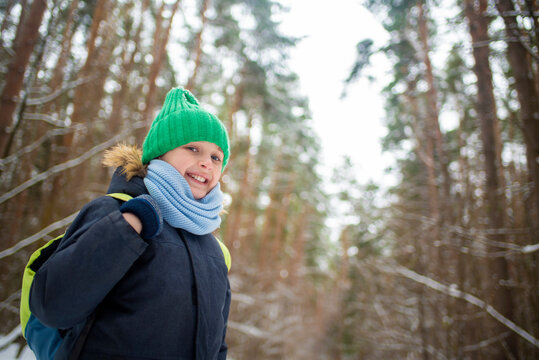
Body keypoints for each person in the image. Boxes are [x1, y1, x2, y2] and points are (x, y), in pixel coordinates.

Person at [29, 87, 232, 360]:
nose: (206, 162)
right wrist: (126, 227)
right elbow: (53, 306)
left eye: (216, 157)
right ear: (160, 154)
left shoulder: (215, 252)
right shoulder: (115, 211)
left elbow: (215, 344)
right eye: (193, 148)